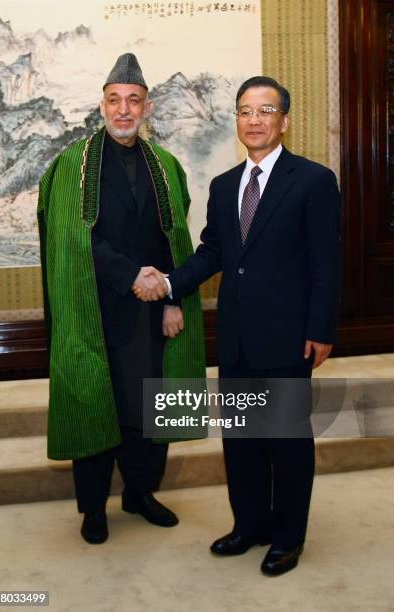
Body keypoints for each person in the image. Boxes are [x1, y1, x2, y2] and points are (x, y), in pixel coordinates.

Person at [135, 76, 341, 575]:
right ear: (237, 120)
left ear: (284, 120)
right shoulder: (226, 186)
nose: (254, 120)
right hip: (237, 337)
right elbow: (214, 253)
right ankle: (250, 525)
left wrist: (321, 328)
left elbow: (325, 263)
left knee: (287, 443)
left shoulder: (313, 180)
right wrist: (168, 284)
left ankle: (288, 538)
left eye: (265, 111)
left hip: (289, 335)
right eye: (246, 111)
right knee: (243, 442)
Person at [37, 53, 205, 544]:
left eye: (134, 101)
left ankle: (140, 493)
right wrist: (131, 274)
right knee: (94, 402)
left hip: (152, 311)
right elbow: (71, 238)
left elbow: (176, 240)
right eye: (115, 101)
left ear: (147, 108)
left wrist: (174, 297)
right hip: (91, 309)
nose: (124, 109)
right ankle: (93, 508)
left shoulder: (167, 167)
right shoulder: (72, 166)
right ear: (102, 106)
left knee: (148, 406)